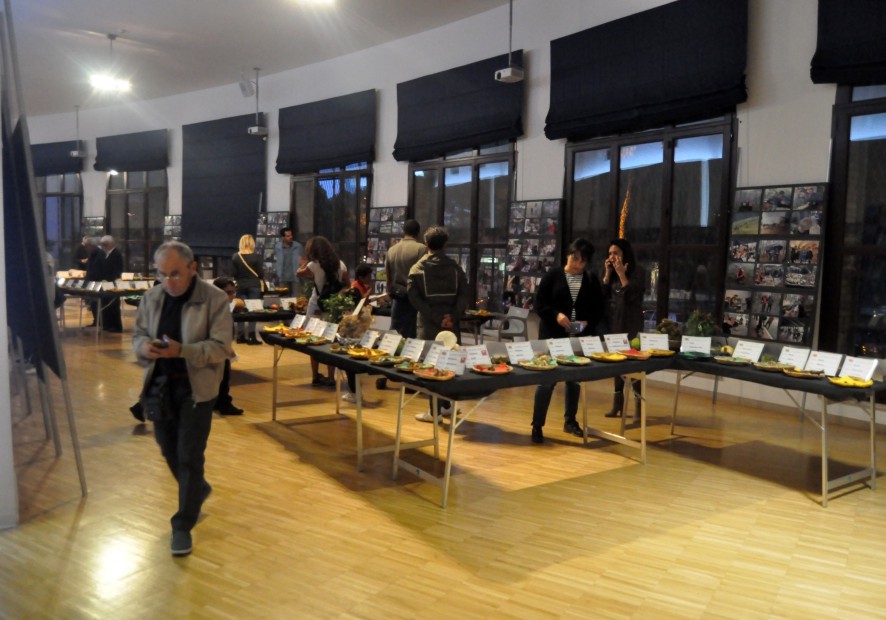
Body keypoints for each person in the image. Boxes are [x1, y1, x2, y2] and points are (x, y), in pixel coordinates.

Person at [132, 241, 233, 556]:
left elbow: (221, 348)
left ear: (192, 269)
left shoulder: (214, 299)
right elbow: (138, 336)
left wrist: (183, 351)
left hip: (197, 389)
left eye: (175, 274)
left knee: (189, 455)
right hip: (161, 385)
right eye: (162, 274)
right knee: (167, 448)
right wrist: (145, 348)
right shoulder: (151, 298)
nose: (168, 281)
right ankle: (197, 489)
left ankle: (182, 525)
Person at [530, 238, 604, 444]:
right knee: (546, 381)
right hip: (552, 337)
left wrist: (586, 322)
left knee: (574, 380)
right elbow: (539, 304)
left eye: (581, 261)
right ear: (568, 255)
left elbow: (599, 308)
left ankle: (570, 421)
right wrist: (556, 315)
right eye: (574, 258)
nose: (576, 264)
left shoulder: (590, 279)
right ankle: (537, 425)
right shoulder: (553, 276)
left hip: (577, 339)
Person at [407, 225, 471, 422]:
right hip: (451, 324)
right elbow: (464, 293)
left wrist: (435, 317)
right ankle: (447, 406)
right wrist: (453, 316)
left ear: (426, 243)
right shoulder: (455, 268)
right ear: (445, 244)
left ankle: (435, 413)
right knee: (450, 365)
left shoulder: (417, 269)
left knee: (431, 367)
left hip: (429, 324)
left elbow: (414, 297)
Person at [601, 238, 646, 418]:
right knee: (616, 361)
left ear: (624, 254)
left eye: (616, 253)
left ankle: (638, 406)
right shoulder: (611, 272)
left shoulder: (638, 271)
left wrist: (622, 275)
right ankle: (617, 404)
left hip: (632, 321)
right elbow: (603, 296)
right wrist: (607, 274)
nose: (612, 257)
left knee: (634, 364)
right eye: (610, 253)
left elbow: (634, 297)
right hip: (615, 321)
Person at [297, 236, 348, 387]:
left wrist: (306, 262)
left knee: (313, 339)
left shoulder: (313, 265)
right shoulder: (340, 264)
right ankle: (331, 377)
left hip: (316, 304)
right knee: (330, 339)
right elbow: (348, 285)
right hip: (333, 306)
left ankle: (315, 375)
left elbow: (298, 273)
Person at [385, 219, 427, 338]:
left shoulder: (391, 250)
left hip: (397, 297)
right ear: (418, 232)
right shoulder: (421, 249)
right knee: (412, 335)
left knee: (395, 334)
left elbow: (388, 277)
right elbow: (423, 275)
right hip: (415, 298)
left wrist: (389, 294)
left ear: (403, 231)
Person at [231, 234, 264, 345]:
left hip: (240, 286)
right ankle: (251, 336)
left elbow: (234, 273)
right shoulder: (256, 257)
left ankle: (240, 336)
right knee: (253, 311)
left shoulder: (236, 256)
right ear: (252, 243)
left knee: (240, 310)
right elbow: (261, 274)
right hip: (254, 286)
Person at [98, 235, 124, 332]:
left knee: (113, 305)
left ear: (109, 244)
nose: (103, 247)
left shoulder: (116, 254)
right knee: (107, 304)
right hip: (107, 282)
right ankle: (108, 325)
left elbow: (117, 270)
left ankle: (116, 326)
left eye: (104, 244)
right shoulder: (108, 254)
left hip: (113, 282)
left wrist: (113, 280)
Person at [274, 227, 305, 297]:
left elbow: (303, 260)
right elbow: (277, 261)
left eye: (291, 235)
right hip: (282, 277)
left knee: (297, 297)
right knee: (283, 298)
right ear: (283, 237)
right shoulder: (278, 247)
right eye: (288, 236)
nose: (290, 237)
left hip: (295, 277)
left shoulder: (298, 246)